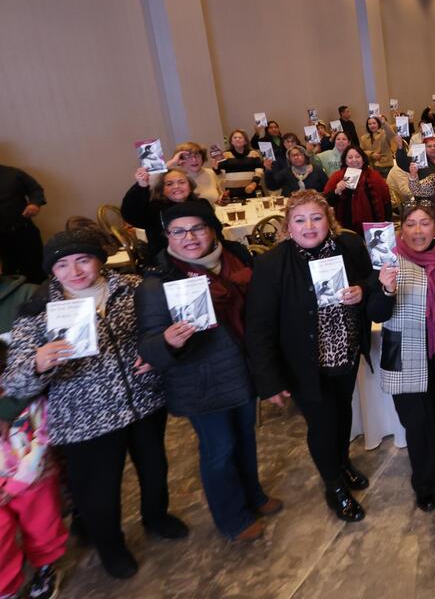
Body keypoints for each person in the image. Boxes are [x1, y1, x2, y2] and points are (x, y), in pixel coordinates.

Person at [1, 229, 185, 579]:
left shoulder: (132, 288)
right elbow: (14, 380)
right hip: (85, 419)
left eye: (83, 260)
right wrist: (37, 363)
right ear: (52, 270)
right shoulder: (38, 309)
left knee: (155, 468)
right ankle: (110, 547)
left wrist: (155, 351)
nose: (75, 271)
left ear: (99, 259)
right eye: (63, 265)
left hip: (143, 401)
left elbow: (158, 330)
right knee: (98, 492)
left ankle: (157, 517)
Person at [135, 202, 280, 541]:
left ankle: (254, 496)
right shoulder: (159, 281)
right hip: (200, 379)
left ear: (212, 230)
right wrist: (167, 341)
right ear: (167, 236)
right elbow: (149, 344)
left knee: (245, 438)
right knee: (219, 449)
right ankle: (233, 518)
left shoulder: (235, 260)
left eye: (197, 228)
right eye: (178, 231)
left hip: (241, 369)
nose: (189, 237)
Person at [245, 191, 390, 523]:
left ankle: (341, 463)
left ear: (329, 220)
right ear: (288, 226)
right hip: (305, 364)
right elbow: (259, 327)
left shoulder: (349, 248)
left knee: (341, 415)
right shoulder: (271, 265)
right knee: (322, 425)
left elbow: (370, 279)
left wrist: (362, 290)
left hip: (345, 353)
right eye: (300, 220)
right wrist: (269, 380)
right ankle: (333, 485)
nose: (309, 226)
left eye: (316, 218)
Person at [378, 203, 435, 512]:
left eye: (425, 223)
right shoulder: (387, 260)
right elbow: (375, 312)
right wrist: (385, 290)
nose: (418, 231)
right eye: (411, 224)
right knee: (416, 422)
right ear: (400, 228)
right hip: (405, 351)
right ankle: (424, 478)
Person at [0, 339, 67, 599]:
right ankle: (6, 588)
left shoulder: (29, 403)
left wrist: (16, 484)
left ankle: (45, 568)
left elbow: (41, 443)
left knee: (42, 529)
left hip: (33, 482)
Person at [121, 167, 199, 257]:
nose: (176, 186)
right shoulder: (154, 209)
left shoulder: (201, 204)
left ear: (190, 186)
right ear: (162, 190)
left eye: (181, 182)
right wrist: (141, 185)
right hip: (168, 261)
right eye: (169, 184)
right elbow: (130, 214)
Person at [324, 146, 391, 232]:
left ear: (363, 159)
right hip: (345, 225)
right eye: (350, 157)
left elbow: (386, 201)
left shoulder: (374, 176)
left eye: (358, 157)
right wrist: (337, 191)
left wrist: (386, 223)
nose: (354, 160)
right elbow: (327, 202)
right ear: (345, 160)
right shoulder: (337, 177)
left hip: (373, 225)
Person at [0, 163, 47, 284]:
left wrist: (35, 203)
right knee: (8, 276)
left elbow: (35, 189)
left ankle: (40, 299)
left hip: (23, 232)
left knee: (36, 270)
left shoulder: (13, 173)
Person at [216, 129, 265, 201]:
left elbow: (259, 171)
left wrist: (253, 184)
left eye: (240, 137)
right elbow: (220, 174)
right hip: (232, 192)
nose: (237, 139)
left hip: (252, 190)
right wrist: (215, 168)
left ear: (245, 141)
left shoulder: (253, 153)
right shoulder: (225, 155)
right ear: (231, 141)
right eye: (235, 138)